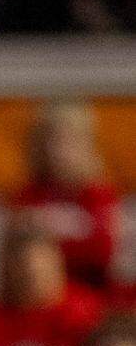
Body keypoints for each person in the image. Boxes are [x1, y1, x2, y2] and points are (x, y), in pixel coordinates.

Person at [7, 102, 119, 291]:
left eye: (69, 142)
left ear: (86, 145)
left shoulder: (99, 195)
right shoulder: (26, 196)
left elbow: (103, 253)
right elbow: (15, 258)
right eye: (51, 141)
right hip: (38, 300)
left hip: (92, 299)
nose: (58, 151)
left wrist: (48, 236)